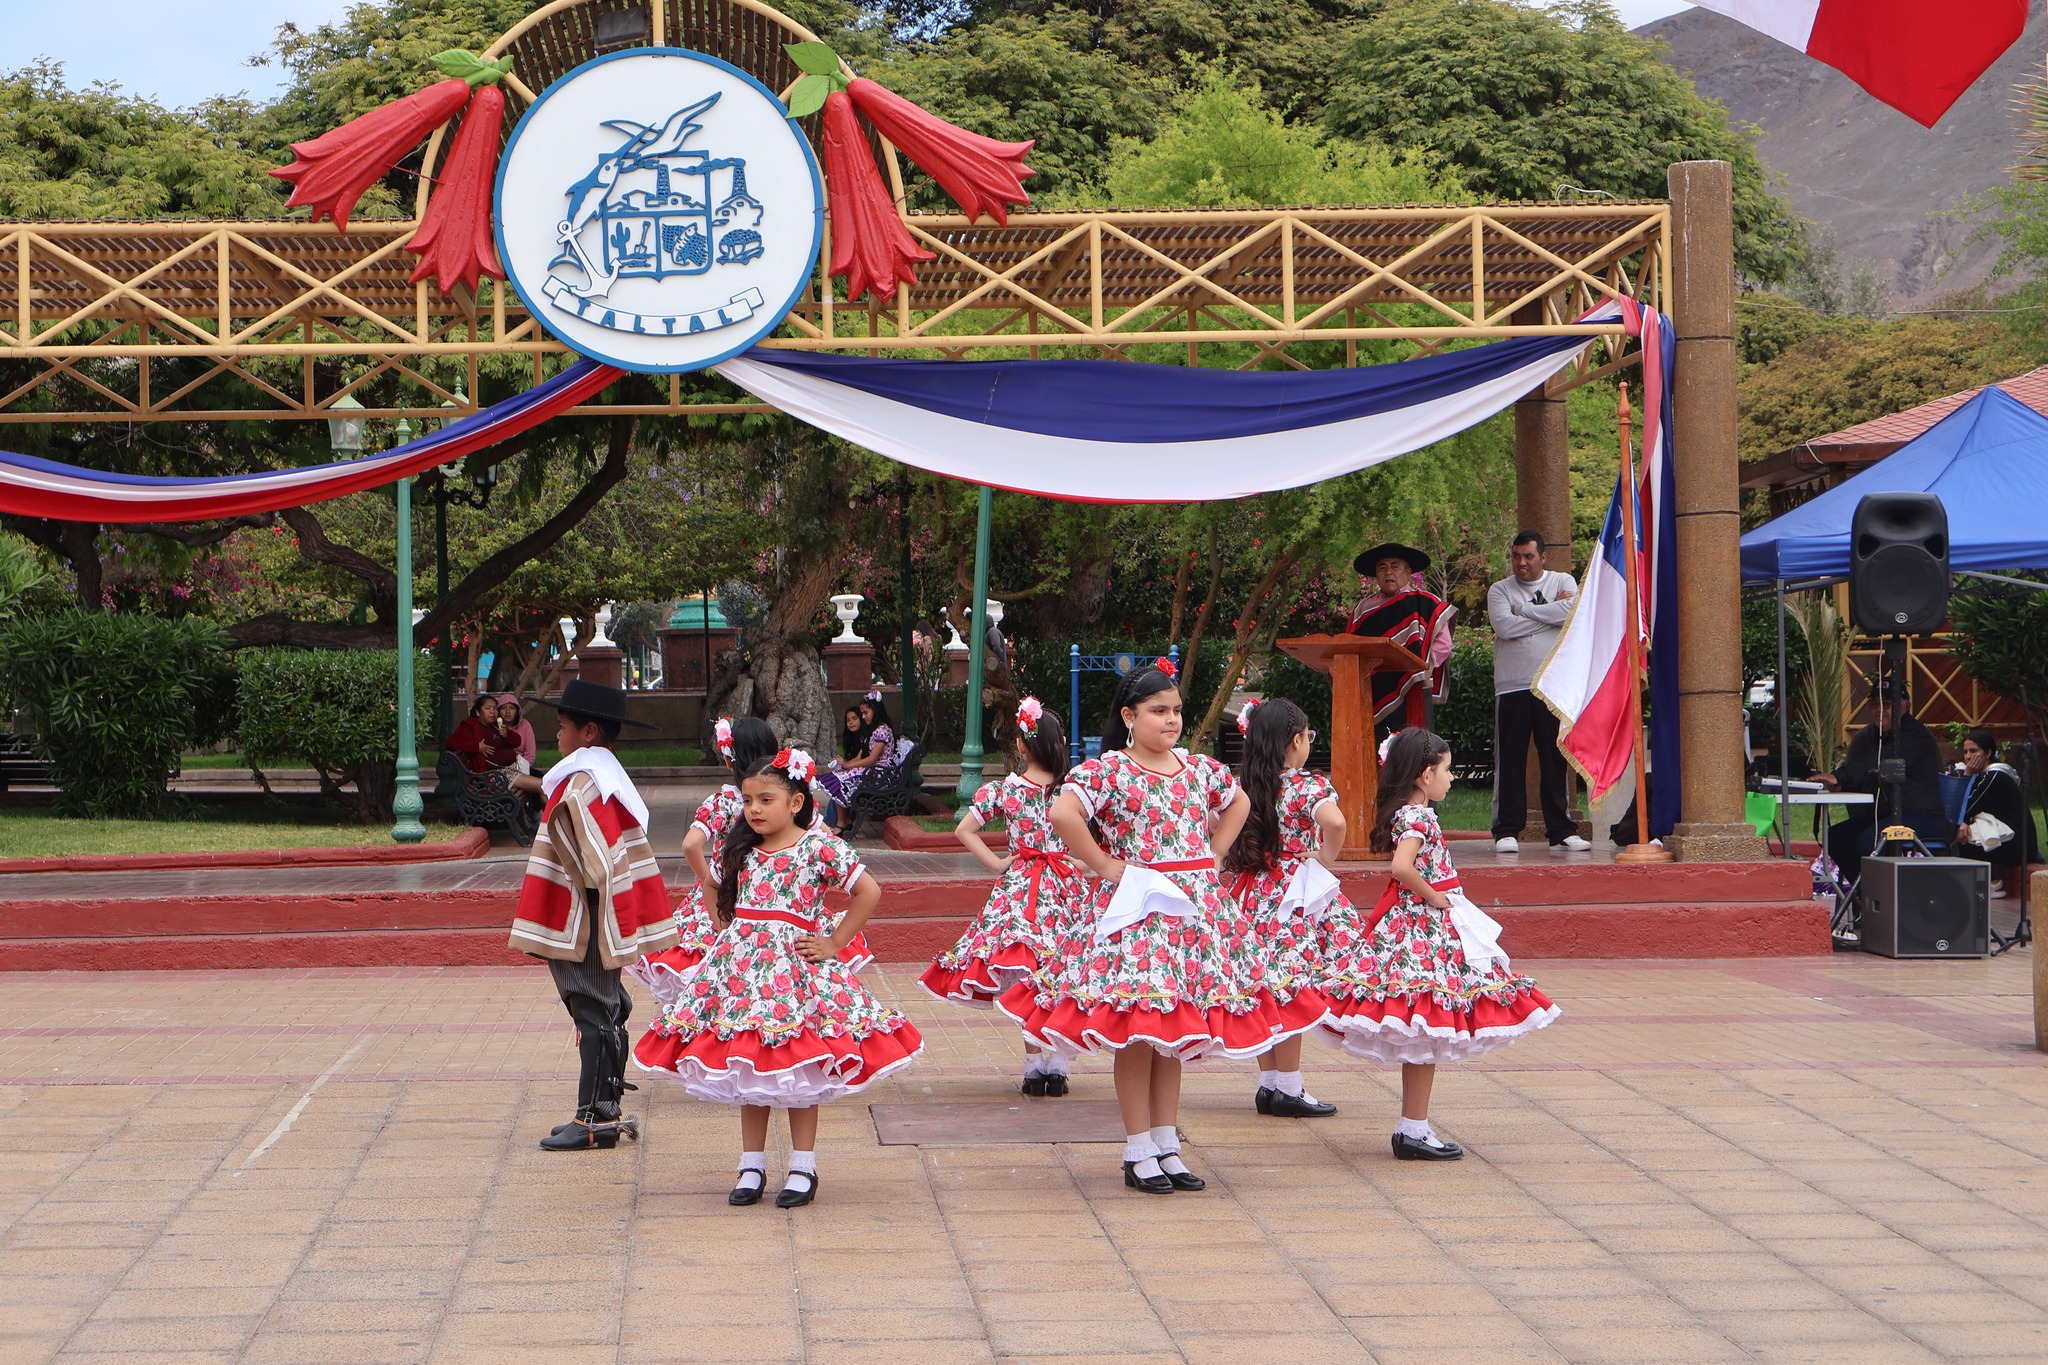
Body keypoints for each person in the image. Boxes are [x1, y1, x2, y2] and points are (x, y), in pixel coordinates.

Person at [999, 659, 1304, 1196]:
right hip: (1139, 916)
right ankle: (1138, 1148)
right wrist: (1105, 865)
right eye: (1158, 711)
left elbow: (1240, 803)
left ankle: (1166, 1144)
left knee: (1174, 1033)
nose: (1171, 721)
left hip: (1189, 916)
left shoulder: (1198, 769)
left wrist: (1212, 854)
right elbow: (1064, 814)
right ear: (1129, 716)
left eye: (1176, 711)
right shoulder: (1110, 770)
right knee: (1139, 1033)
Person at [632, 748, 924, 1208]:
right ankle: (752, 1165)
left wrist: (833, 942)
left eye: (766, 799)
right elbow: (712, 884)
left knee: (797, 1068)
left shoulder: (818, 846)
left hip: (796, 978)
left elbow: (869, 890)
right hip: (744, 975)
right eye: (749, 800)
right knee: (750, 1065)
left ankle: (803, 1167)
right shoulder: (742, 848)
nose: (754, 809)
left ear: (796, 801)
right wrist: (725, 930)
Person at [1319, 728, 1560, 1160]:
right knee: (1427, 1022)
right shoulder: (1419, 817)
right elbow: (1402, 866)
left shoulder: (1410, 814)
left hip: (1417, 926)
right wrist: (1434, 897)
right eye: (1447, 770)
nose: (1451, 779)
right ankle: (1412, 1128)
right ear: (1426, 774)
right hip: (1423, 930)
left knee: (1423, 1029)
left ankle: (1414, 1125)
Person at [507, 679, 679, 1152]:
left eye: (562, 728)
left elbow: (600, 859)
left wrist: (594, 910)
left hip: (582, 918)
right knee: (601, 1007)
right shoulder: (599, 776)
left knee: (592, 1007)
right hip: (591, 915)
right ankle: (599, 1114)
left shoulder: (583, 783)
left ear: (588, 732)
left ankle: (595, 1120)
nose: (555, 737)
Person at [922, 697, 1085, 1097]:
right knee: (1063, 971)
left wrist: (997, 864)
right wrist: (1086, 865)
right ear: (1060, 742)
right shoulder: (1075, 790)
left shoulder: (1006, 789)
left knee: (1025, 974)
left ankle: (1034, 1064)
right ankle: (1057, 1062)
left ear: (1023, 747)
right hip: (1066, 887)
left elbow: (964, 831)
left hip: (1021, 889)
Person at [1221, 697, 1345, 1119]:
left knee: (1265, 985)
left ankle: (1270, 1084)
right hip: (1293, 896)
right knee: (1292, 987)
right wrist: (1326, 856)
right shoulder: (1305, 786)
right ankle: (1288, 1087)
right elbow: (1336, 822)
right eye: (1308, 736)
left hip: (1252, 892)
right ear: (1295, 740)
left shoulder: (1248, 785)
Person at [627, 715, 781, 1008]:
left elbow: (690, 844)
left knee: (715, 977)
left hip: (722, 898)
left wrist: (709, 881)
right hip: (771, 898)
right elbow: (824, 836)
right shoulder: (785, 802)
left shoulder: (722, 803)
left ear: (728, 759)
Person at [1486, 532, 1589, 854]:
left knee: (1555, 759)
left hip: (1552, 684)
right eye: (1516, 556)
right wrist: (1548, 614)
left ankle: (1561, 829)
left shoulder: (1563, 580)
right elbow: (1504, 627)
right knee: (1511, 759)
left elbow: (1572, 614)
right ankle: (1507, 830)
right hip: (1512, 685)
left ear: (1543, 557)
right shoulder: (1499, 590)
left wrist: (1524, 611)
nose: (1522, 563)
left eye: (1528, 556)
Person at [1812, 678, 1947, 886]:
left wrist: (1839, 776)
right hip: (1886, 814)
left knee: (1867, 841)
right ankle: (1864, 894)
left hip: (1921, 816)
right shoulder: (1872, 735)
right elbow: (1863, 770)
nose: (1879, 709)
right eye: (1875, 704)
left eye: (1887, 704)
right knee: (1835, 837)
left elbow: (1878, 764)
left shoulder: (1916, 736)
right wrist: (1840, 784)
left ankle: (1886, 896)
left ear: (1905, 705)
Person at [1346, 543, 1455, 733]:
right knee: (1375, 747)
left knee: (1414, 747)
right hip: (1374, 690)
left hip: (1414, 687)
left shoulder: (1425, 602)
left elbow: (1444, 643)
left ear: (1408, 571)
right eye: (1382, 567)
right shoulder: (1363, 610)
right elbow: (1350, 646)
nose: (1388, 572)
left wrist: (1419, 668)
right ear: (1376, 575)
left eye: (1395, 566)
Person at [1953, 730, 2041, 899]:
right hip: (2004, 839)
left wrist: (1968, 773)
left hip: (2018, 845)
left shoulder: (1996, 776)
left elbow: (1968, 805)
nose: (1968, 757)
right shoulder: (1984, 776)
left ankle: (1990, 883)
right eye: (1965, 752)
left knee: (1963, 834)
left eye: (1973, 751)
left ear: (1988, 753)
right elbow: (1962, 807)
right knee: (1959, 829)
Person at [815, 691, 900, 833]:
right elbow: (861, 756)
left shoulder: (883, 731)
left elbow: (872, 759)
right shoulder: (872, 731)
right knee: (838, 776)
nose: (863, 716)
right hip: (872, 770)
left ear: (875, 710)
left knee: (841, 780)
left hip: (880, 772)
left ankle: (841, 824)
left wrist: (848, 765)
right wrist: (844, 764)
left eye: (866, 713)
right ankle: (843, 821)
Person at [446, 695, 519, 773]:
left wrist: (506, 735)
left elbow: (518, 741)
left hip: (510, 769)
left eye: (495, 708)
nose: (492, 712)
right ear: (478, 712)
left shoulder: (496, 725)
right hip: (489, 775)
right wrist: (476, 746)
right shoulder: (471, 726)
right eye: (488, 708)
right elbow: (450, 742)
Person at [497, 693, 538, 771]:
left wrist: (522, 768)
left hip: (523, 767)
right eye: (503, 708)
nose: (508, 711)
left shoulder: (525, 725)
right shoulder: (494, 727)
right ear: (498, 711)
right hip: (500, 768)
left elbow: (530, 754)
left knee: (540, 778)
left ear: (517, 711)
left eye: (512, 708)